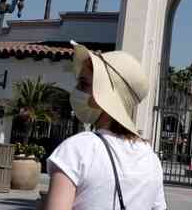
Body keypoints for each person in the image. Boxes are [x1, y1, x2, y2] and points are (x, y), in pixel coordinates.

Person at [43, 42, 167, 210]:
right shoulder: (151, 160)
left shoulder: (77, 149)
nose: (77, 89)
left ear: (101, 93)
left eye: (84, 83)